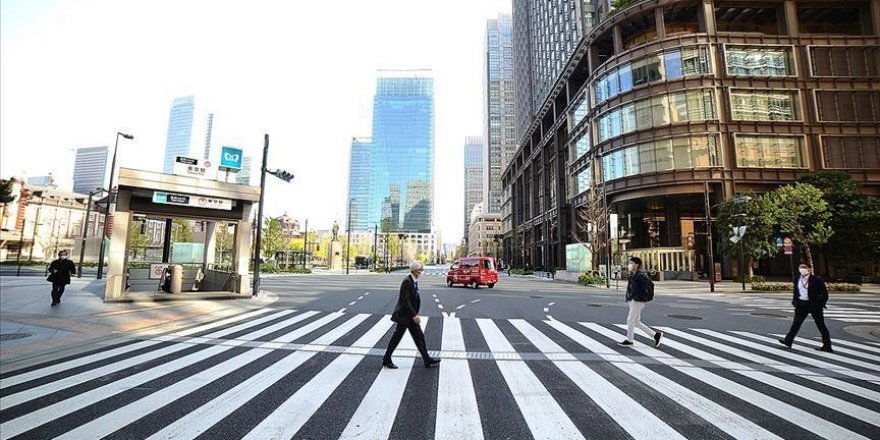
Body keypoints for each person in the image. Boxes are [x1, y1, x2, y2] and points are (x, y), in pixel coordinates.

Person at [383, 260, 441, 369]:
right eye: (420, 270)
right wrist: (414, 315)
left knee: (419, 337)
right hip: (405, 316)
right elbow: (406, 300)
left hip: (409, 316)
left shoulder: (413, 280)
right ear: (415, 271)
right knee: (397, 337)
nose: (421, 272)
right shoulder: (407, 281)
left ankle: (426, 359)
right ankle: (386, 359)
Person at [779, 262, 832, 352]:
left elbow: (825, 294)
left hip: (814, 305)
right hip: (801, 304)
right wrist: (795, 301)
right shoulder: (797, 278)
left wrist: (821, 304)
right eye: (800, 267)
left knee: (821, 325)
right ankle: (788, 341)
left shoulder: (816, 279)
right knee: (796, 323)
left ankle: (827, 345)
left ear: (809, 269)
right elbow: (796, 291)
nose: (802, 269)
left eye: (804, 267)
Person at [618, 256, 663, 347]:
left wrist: (636, 297)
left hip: (638, 300)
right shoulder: (633, 274)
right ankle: (655, 335)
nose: (630, 265)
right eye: (630, 263)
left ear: (637, 265)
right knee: (636, 322)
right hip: (633, 299)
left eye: (632, 263)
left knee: (630, 320)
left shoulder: (640, 275)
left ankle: (629, 340)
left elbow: (644, 289)